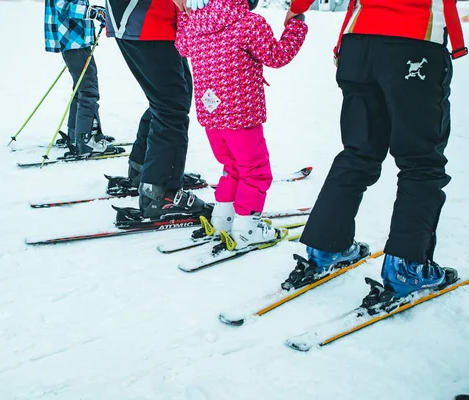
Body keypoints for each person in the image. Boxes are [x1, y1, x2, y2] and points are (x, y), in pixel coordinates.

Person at [281, 0, 467, 303]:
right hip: (414, 41)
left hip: (359, 44)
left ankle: (326, 246)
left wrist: (298, 5)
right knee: (421, 162)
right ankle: (407, 267)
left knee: (358, 152)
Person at [174, 0, 307, 248]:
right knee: (255, 171)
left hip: (212, 113)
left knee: (232, 166)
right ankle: (247, 228)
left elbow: (182, 47)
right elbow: (277, 56)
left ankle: (223, 221)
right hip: (241, 114)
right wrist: (296, 26)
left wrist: (184, 14)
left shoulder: (196, 23)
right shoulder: (248, 23)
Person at [104, 0, 207, 218]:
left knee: (172, 100)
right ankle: (161, 192)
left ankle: (145, 171)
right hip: (142, 22)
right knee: (171, 106)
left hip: (159, 22)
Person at [44, 0, 116, 156]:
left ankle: (77, 134)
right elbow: (62, 4)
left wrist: (95, 10)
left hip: (76, 39)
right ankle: (87, 141)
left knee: (81, 89)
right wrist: (92, 12)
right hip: (72, 39)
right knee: (88, 90)